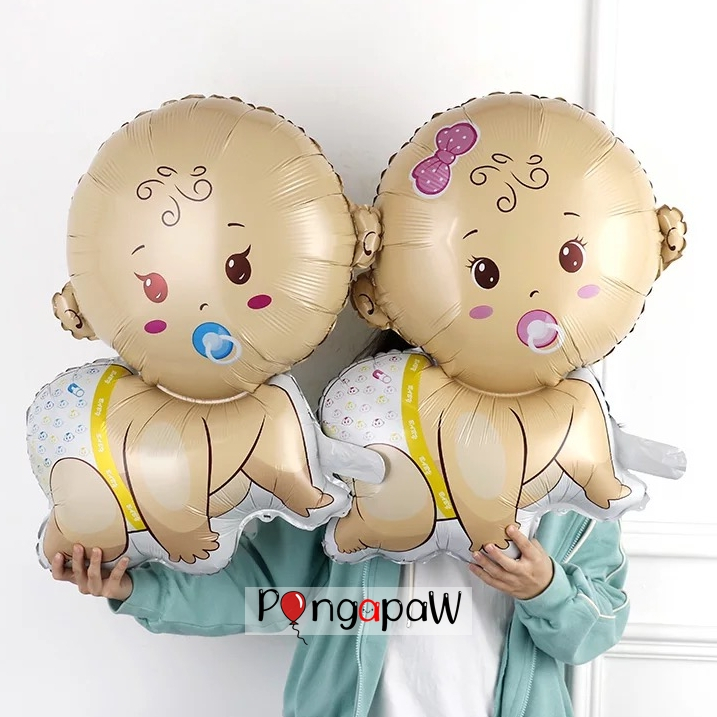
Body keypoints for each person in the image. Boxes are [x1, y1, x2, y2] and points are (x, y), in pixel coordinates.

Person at [51, 330, 630, 717]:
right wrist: (134, 587)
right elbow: (263, 592)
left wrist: (546, 589)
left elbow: (596, 629)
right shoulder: (354, 463)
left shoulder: (572, 483)